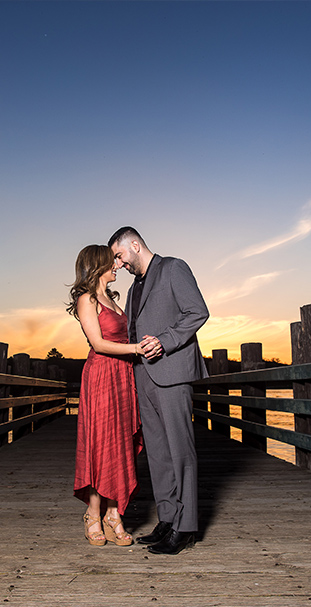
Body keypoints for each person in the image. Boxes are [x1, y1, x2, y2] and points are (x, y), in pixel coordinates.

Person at [108, 226, 209, 555]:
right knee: (158, 453)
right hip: (143, 376)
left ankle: (187, 526)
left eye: (120, 256)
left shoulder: (173, 268)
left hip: (173, 372)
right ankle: (167, 519)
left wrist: (164, 342)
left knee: (181, 452)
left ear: (135, 245)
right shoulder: (135, 286)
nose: (119, 264)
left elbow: (198, 311)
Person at [67, 244, 144, 547]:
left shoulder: (111, 299)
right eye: (112, 261)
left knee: (120, 442)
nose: (117, 265)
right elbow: (98, 343)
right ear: (97, 264)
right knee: (101, 444)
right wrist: (136, 349)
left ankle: (114, 513)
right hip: (101, 375)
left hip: (122, 376)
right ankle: (93, 513)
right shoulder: (86, 299)